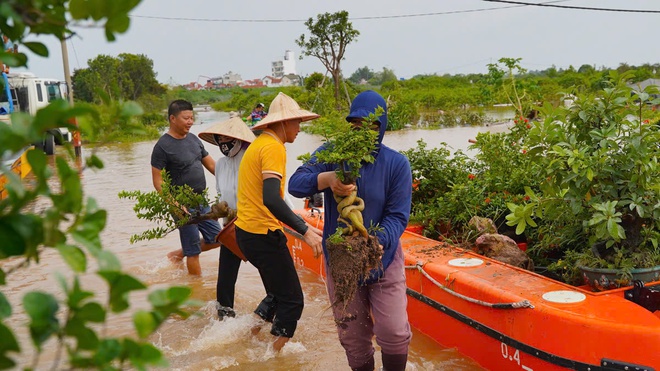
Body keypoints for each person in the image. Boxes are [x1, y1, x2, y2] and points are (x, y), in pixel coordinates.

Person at [288, 90, 413, 371]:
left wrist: (377, 241)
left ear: (382, 126)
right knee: (353, 337)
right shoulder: (334, 154)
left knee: (393, 332)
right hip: (342, 260)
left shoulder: (396, 164)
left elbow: (397, 216)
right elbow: (295, 184)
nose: (364, 131)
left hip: (384, 257)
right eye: (357, 124)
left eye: (372, 125)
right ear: (350, 125)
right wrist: (328, 178)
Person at [235, 92, 323, 352]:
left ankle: (246, 339)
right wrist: (305, 230)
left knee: (276, 294)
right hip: (263, 235)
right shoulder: (273, 147)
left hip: (247, 233)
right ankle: (272, 358)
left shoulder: (260, 143)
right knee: (293, 301)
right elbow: (272, 199)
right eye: (296, 122)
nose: (299, 128)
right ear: (282, 123)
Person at [151, 99, 221, 276]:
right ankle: (197, 292)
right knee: (193, 252)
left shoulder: (193, 139)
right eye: (186, 118)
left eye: (192, 118)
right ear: (172, 118)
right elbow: (158, 181)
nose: (190, 122)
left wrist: (234, 182)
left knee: (219, 239)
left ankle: (177, 254)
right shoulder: (162, 147)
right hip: (181, 204)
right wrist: (175, 205)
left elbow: (212, 166)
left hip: (201, 200)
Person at [198, 116, 256, 320]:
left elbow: (274, 194)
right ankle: (225, 320)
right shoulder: (221, 164)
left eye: (227, 138)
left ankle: (267, 318)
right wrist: (218, 210)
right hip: (231, 228)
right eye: (219, 139)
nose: (223, 143)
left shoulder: (252, 157)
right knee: (225, 279)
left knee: (270, 275)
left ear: (238, 138)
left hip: (256, 226)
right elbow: (223, 195)